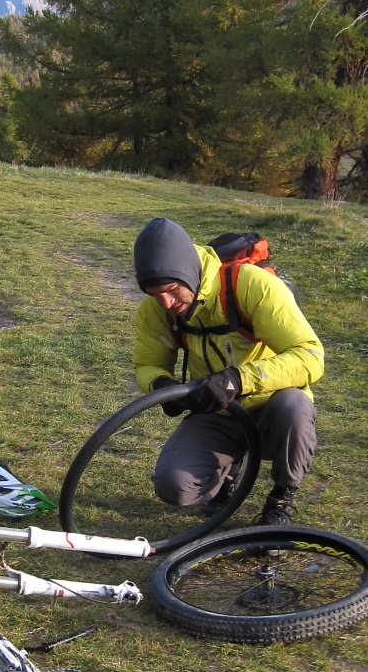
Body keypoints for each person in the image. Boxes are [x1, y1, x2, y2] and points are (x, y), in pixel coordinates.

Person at [132, 217, 323, 526]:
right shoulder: (157, 309)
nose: (166, 303)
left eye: (170, 290)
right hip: (217, 414)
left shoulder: (251, 286)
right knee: (174, 486)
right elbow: (146, 364)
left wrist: (238, 380)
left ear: (189, 274)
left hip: (271, 408)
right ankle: (224, 483)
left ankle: (280, 502)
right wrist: (161, 385)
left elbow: (310, 356)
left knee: (294, 407)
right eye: (155, 294)